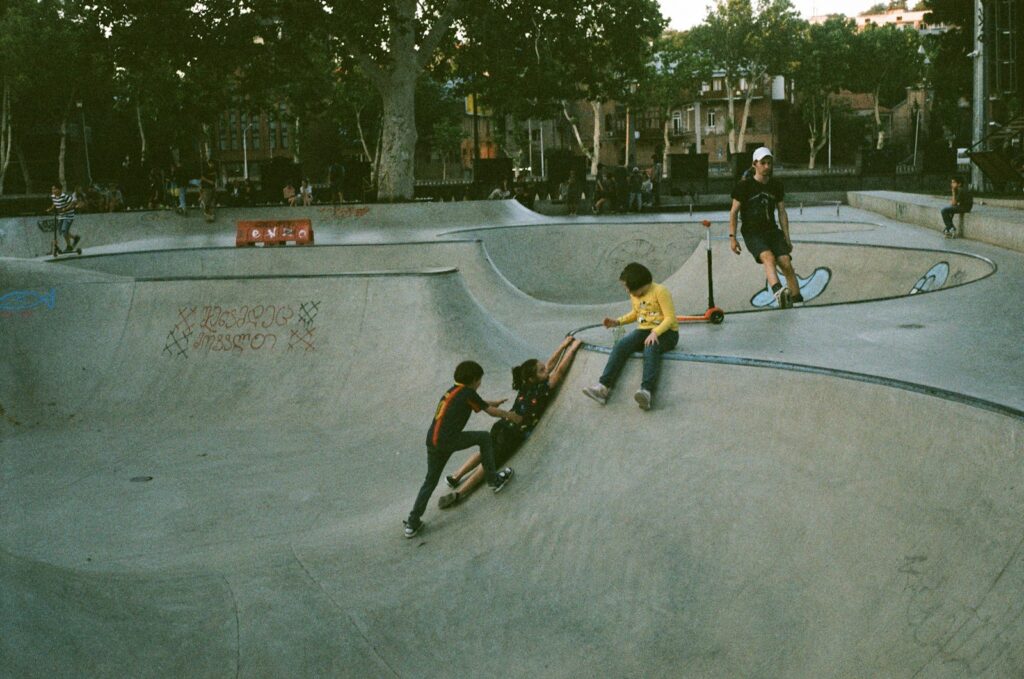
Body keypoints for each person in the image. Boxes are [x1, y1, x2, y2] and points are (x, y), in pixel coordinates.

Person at [437, 337, 583, 510]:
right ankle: (460, 493)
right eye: (542, 370)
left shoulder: (525, 384)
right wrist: (572, 349)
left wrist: (563, 345)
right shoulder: (544, 388)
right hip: (513, 434)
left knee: (485, 449)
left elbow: (550, 364)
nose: (547, 370)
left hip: (502, 425)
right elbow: (559, 371)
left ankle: (456, 475)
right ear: (533, 378)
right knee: (489, 461)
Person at [403, 360, 520, 538]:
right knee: (484, 437)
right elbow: (488, 411)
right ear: (473, 380)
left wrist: (493, 403)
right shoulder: (468, 392)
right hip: (448, 440)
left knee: (430, 481)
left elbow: (479, 404)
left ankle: (412, 523)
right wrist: (509, 415)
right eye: (480, 380)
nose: (480, 384)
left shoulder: (453, 391)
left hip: (432, 442)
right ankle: (493, 480)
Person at [582, 262, 679, 411]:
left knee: (651, 347)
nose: (627, 291)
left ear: (639, 284)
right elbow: (636, 314)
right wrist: (617, 322)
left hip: (668, 333)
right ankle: (603, 388)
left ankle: (646, 392)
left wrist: (655, 333)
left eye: (628, 287)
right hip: (644, 330)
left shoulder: (660, 291)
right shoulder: (635, 296)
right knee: (621, 345)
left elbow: (670, 318)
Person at [728, 147, 801, 308]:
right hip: (752, 233)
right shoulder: (744, 186)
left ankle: (797, 299)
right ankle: (779, 292)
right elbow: (733, 212)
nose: (767, 166)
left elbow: (782, 212)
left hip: (772, 231)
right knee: (768, 257)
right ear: (755, 164)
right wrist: (732, 238)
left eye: (769, 163)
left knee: (785, 261)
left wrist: (787, 238)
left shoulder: (776, 185)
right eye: (763, 163)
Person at [46, 183, 81, 252]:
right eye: (52, 189)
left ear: (59, 189)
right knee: (61, 231)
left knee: (65, 231)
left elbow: (73, 202)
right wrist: (51, 208)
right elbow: (55, 202)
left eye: (55, 189)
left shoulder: (64, 196)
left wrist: (66, 208)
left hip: (68, 216)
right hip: (61, 216)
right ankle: (75, 238)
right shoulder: (53, 196)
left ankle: (69, 246)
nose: (53, 191)